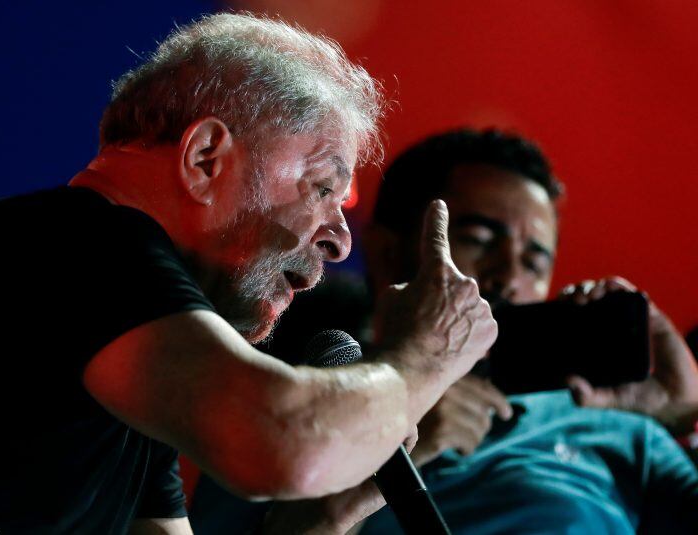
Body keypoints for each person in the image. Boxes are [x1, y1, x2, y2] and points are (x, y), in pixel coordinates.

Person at [0, 15, 498, 535]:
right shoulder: (83, 246)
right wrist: (426, 356)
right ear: (205, 158)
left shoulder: (137, 355)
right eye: (323, 188)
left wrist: (326, 515)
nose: (340, 239)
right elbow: (281, 445)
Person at [189, 128, 698, 533]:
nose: (510, 276)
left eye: (535, 259)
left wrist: (688, 417)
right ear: (389, 253)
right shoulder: (282, 404)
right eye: (479, 240)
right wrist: (395, 437)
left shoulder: (622, 433)